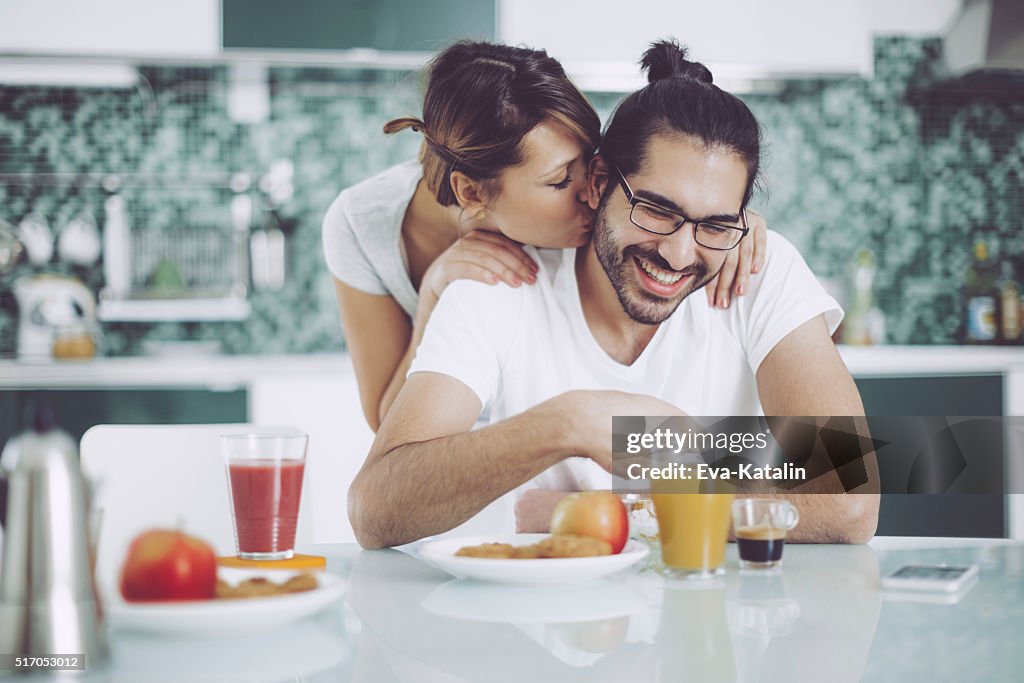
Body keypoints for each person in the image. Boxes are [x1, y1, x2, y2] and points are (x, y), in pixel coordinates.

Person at [347, 39, 880, 549]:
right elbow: (375, 511)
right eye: (657, 211)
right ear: (598, 181)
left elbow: (849, 500)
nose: (677, 254)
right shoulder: (499, 284)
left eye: (715, 224)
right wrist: (569, 423)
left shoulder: (759, 271)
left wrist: (588, 513)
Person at [323, 40, 768, 432]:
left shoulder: (750, 262)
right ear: (473, 192)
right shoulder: (365, 226)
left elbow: (836, 471)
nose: (594, 192)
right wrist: (433, 298)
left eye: (592, 165)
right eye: (560, 181)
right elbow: (392, 437)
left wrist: (718, 223)